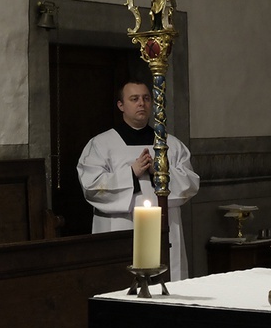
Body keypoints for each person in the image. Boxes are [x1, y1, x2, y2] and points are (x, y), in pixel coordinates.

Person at [77, 81, 200, 281]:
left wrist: (158, 172)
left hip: (164, 227)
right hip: (120, 226)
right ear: (121, 105)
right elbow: (91, 185)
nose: (141, 103)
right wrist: (131, 173)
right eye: (134, 99)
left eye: (146, 98)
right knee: (121, 284)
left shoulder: (171, 145)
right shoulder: (101, 145)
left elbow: (191, 183)